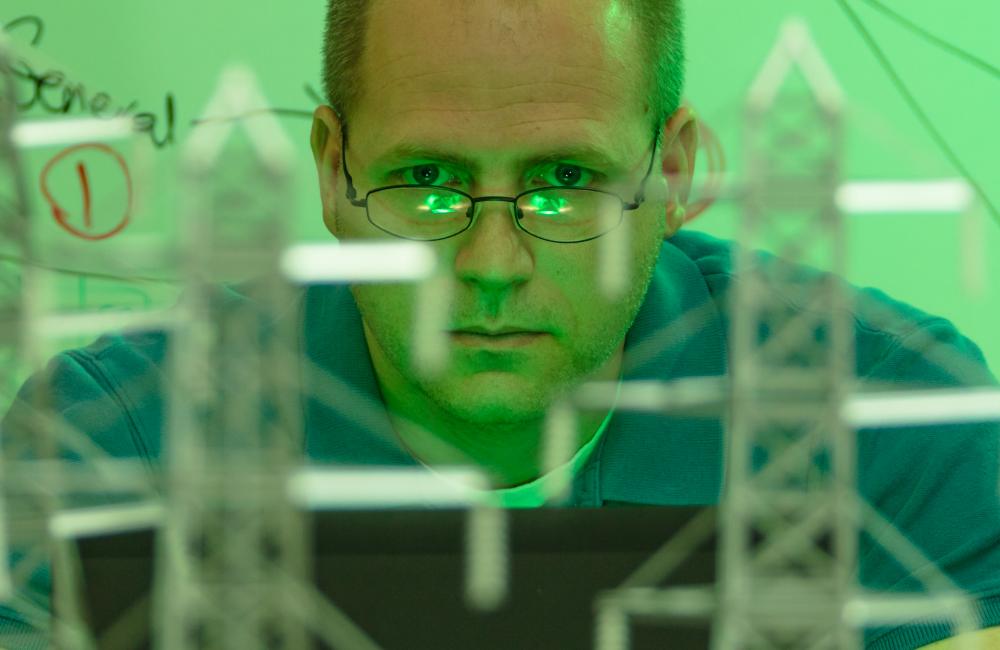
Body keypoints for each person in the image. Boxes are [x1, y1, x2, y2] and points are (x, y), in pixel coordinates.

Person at [2, 1, 999, 648]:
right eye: (425, 182)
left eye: (566, 182)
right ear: (330, 170)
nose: (490, 266)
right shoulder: (116, 441)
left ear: (677, 172)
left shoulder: (897, 426)